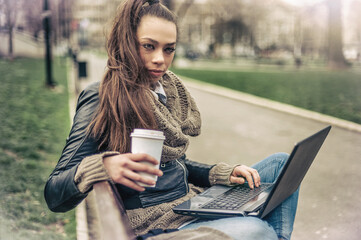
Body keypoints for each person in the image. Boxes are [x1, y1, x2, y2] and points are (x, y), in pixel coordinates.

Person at [44, 0, 299, 239]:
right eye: (148, 46)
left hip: (188, 206)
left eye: (169, 49)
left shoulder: (166, 92)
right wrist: (105, 166)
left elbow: (178, 166)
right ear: (127, 43)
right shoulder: (102, 96)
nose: (160, 59)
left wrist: (220, 174)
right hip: (156, 225)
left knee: (281, 165)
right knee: (256, 229)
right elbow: (54, 193)